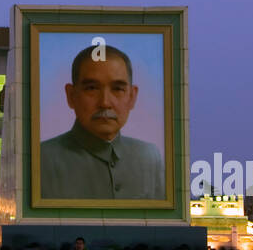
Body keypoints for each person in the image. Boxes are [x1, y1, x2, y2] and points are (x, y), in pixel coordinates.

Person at [39, 45, 165, 200]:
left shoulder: (150, 158)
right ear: (71, 95)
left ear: (132, 97)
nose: (105, 102)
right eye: (92, 88)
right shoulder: (40, 160)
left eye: (117, 89)